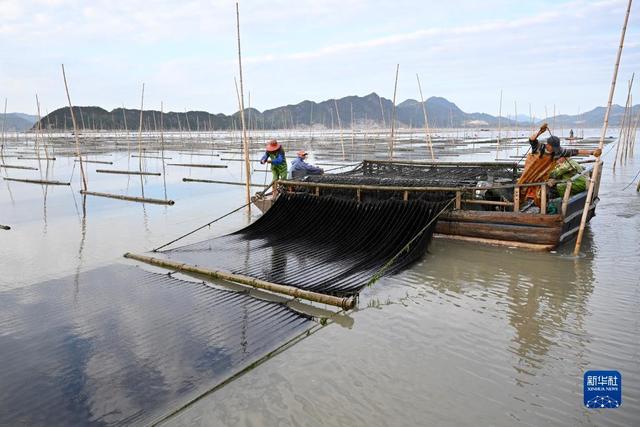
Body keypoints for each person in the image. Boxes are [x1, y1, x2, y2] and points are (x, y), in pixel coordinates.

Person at [517, 123, 600, 207]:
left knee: (540, 195)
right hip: (530, 172)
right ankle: (517, 205)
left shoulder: (558, 151)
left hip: (542, 176)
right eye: (553, 148)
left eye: (556, 148)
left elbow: (576, 151)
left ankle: (543, 210)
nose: (554, 150)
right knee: (521, 189)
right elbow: (531, 140)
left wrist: (592, 152)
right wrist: (540, 131)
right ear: (548, 145)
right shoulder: (539, 147)